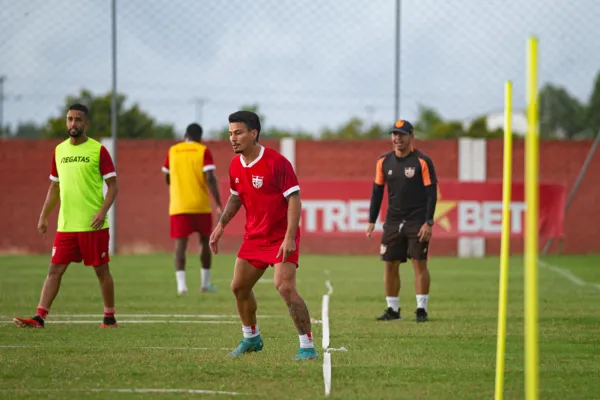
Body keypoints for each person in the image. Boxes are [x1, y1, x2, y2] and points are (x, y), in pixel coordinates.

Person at [209, 110, 318, 361]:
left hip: (281, 236)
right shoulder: (236, 164)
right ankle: (251, 338)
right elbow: (236, 197)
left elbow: (294, 200)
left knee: (285, 287)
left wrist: (290, 237)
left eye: (238, 133)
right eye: (230, 134)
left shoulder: (277, 162)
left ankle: (307, 346)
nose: (232, 138)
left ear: (253, 133)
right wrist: (221, 225)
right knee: (239, 287)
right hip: (254, 238)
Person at [13, 104, 119, 329]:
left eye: (78, 119)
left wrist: (102, 212)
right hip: (66, 227)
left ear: (86, 123)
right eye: (70, 119)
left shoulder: (98, 150)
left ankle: (109, 318)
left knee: (102, 272)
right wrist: (43, 215)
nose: (73, 123)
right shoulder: (59, 150)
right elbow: (54, 187)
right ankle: (39, 317)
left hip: (93, 226)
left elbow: (113, 187)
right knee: (54, 270)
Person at [366, 119, 438, 323]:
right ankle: (392, 309)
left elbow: (432, 193)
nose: (397, 138)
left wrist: (428, 222)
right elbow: (377, 192)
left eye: (402, 134)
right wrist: (372, 220)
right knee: (390, 264)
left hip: (417, 220)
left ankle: (421, 309)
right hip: (393, 220)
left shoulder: (422, 161)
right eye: (394, 134)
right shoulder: (383, 161)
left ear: (411, 137)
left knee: (419, 263)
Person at [162, 123, 222, 295]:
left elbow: (166, 175)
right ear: (200, 137)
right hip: (200, 205)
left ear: (185, 134)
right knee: (205, 242)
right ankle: (205, 284)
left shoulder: (173, 150)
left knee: (180, 245)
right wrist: (218, 203)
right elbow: (210, 177)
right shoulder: (203, 150)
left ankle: (182, 287)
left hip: (179, 205)